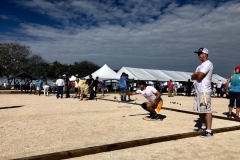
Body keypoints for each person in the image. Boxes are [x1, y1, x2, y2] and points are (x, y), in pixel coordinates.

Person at [191, 47, 213, 138]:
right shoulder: (199, 66)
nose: (198, 56)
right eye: (198, 54)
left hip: (204, 90)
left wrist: (196, 74)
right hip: (198, 90)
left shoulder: (208, 64)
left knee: (207, 110)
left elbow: (199, 76)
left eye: (200, 54)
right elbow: (192, 77)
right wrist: (195, 75)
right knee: (200, 110)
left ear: (205, 54)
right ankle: (203, 126)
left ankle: (209, 130)